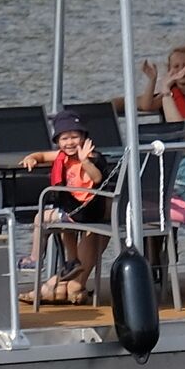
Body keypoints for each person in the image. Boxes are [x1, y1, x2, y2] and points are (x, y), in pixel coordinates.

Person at [24, 109, 113, 301]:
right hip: (75, 210)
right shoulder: (61, 156)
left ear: (84, 138)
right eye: (64, 138)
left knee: (42, 217)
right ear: (58, 141)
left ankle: (35, 258)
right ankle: (71, 266)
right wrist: (32, 157)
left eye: (75, 137)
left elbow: (97, 177)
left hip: (86, 211)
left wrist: (84, 161)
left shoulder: (92, 157)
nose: (70, 142)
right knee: (62, 216)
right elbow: (41, 155)